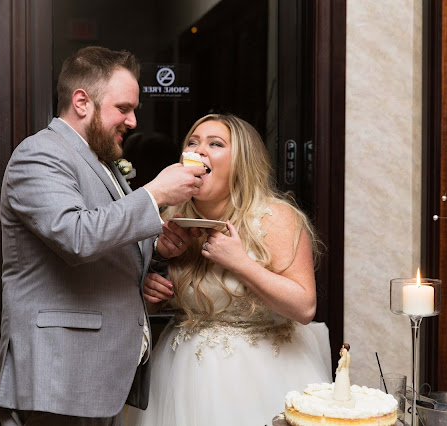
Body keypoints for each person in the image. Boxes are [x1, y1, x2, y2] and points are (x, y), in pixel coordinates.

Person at [0, 46, 206, 425]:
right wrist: (155, 195)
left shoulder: (100, 160)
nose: (133, 120)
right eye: (123, 108)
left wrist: (153, 244)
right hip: (58, 378)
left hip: (96, 377)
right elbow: (76, 236)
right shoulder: (40, 155)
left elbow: (102, 234)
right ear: (81, 101)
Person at [125, 114, 332, 425]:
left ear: (242, 162)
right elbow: (162, 301)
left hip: (261, 374)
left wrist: (240, 262)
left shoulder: (275, 218)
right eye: (193, 143)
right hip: (181, 375)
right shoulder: (170, 218)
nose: (199, 149)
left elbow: (304, 308)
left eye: (215, 144)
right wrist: (152, 291)